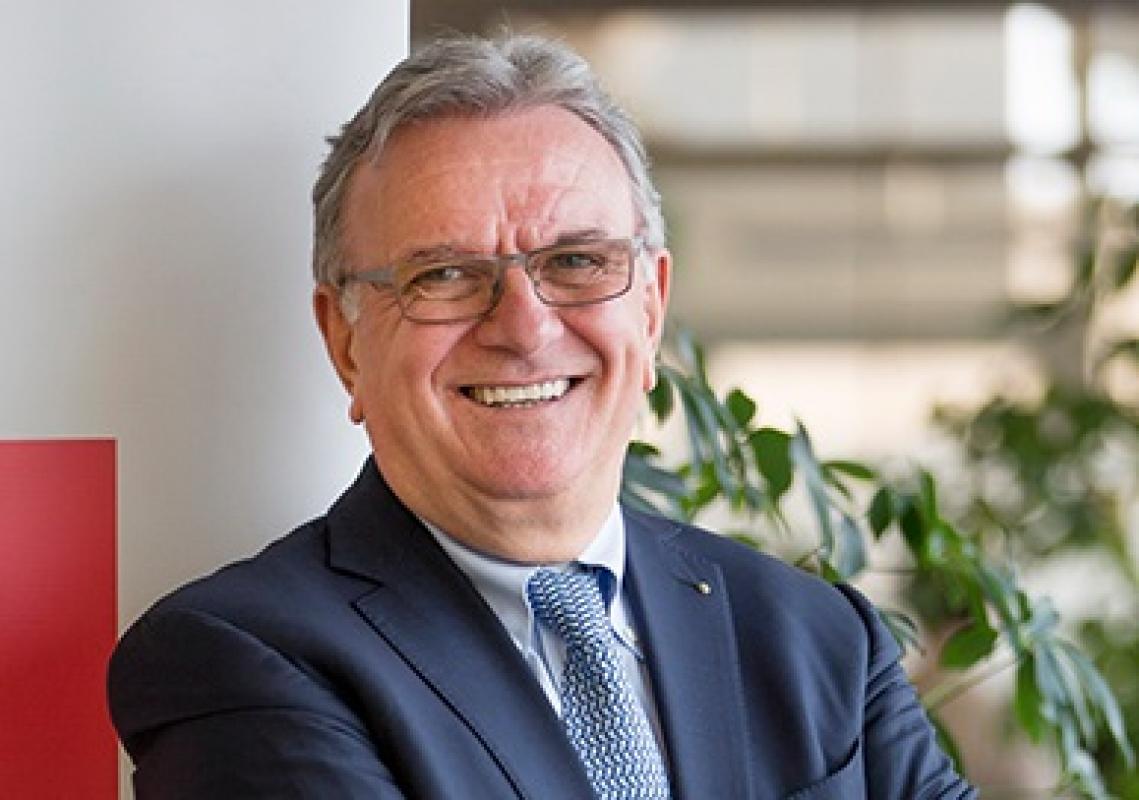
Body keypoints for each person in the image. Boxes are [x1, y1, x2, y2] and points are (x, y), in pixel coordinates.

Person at [108, 33, 976, 799]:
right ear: (346, 342)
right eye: (445, 275)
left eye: (576, 262)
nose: (524, 328)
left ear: (650, 307)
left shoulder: (817, 639)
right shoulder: (238, 658)